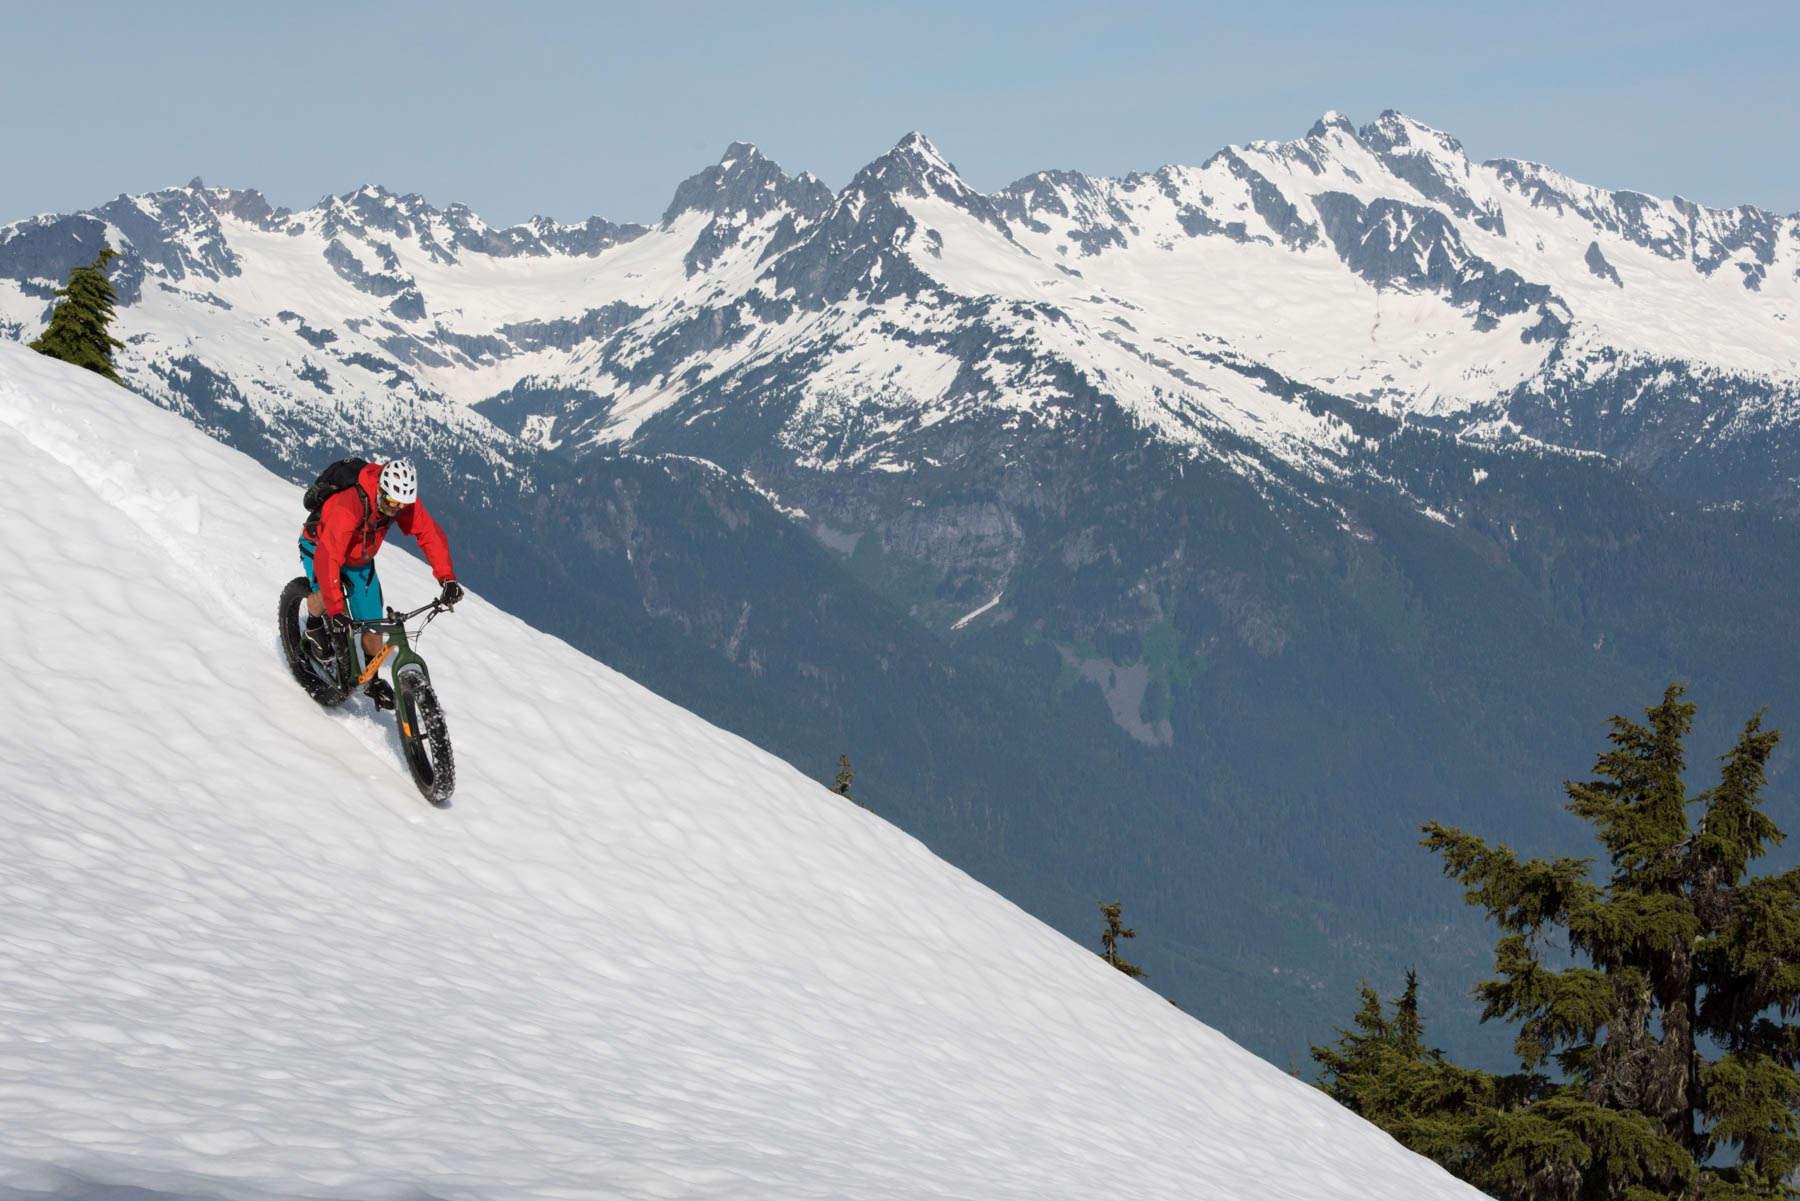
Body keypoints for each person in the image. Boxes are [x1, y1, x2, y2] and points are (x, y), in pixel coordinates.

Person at [299, 458, 463, 709]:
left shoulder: (400, 501)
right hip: (320, 545)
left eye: (400, 505)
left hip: (358, 560)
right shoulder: (350, 504)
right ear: (380, 489)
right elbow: (328, 556)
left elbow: (428, 533)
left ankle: (372, 681)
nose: (395, 509)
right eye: (390, 502)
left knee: (373, 626)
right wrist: (335, 610)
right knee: (325, 595)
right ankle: (312, 626)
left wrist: (447, 577)